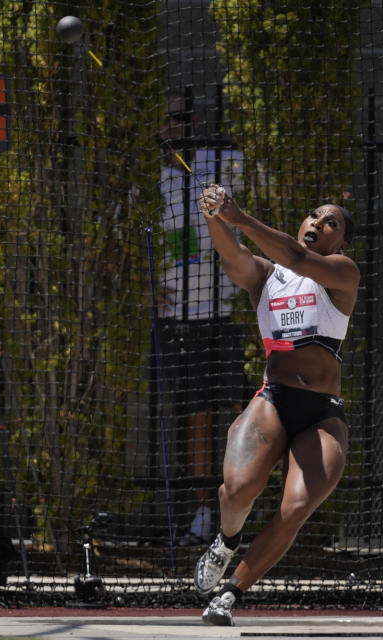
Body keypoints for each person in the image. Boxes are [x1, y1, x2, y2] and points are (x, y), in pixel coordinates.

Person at [192, 184, 359, 626]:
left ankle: (230, 593)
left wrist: (241, 217)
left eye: (331, 223)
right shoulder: (268, 276)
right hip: (275, 398)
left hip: (322, 411)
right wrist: (214, 214)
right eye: (313, 215)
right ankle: (227, 541)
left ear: (340, 242)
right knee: (237, 489)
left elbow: (300, 260)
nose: (318, 224)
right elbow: (234, 257)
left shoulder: (343, 271)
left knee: (296, 508)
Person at [158, 94, 246, 546]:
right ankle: (201, 514)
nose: (177, 128)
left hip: (227, 314)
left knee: (245, 415)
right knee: (196, 418)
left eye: (183, 119)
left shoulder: (226, 163)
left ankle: (250, 507)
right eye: (170, 121)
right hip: (181, 320)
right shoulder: (157, 180)